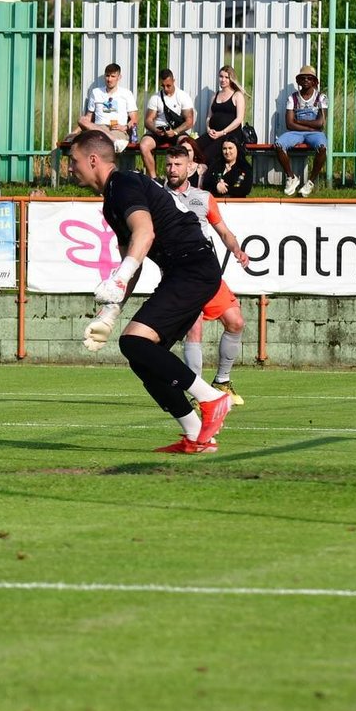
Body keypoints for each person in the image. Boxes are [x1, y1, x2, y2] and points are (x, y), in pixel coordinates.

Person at [70, 129, 234, 454]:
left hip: (193, 268)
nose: (71, 168)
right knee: (141, 356)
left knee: (134, 342)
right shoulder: (112, 199)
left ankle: (212, 398)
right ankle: (197, 436)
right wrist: (111, 312)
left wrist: (118, 280)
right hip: (187, 271)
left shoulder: (123, 184)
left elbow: (144, 233)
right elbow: (133, 259)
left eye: (74, 161)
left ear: (93, 160)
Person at [163, 142, 250, 407]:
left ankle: (222, 381)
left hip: (207, 272)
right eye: (169, 164)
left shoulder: (203, 197)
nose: (172, 169)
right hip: (180, 274)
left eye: (178, 164)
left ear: (190, 168)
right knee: (195, 328)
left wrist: (237, 249)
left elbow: (223, 231)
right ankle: (199, 394)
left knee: (236, 322)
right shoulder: (157, 197)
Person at [275, 65, 329, 197]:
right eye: (303, 78)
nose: (306, 80)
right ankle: (291, 177)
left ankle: (310, 182)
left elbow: (321, 123)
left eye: (309, 78)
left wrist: (298, 121)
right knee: (279, 144)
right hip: (297, 132)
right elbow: (289, 124)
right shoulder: (292, 98)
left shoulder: (321, 97)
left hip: (314, 133)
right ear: (298, 81)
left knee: (322, 147)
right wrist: (310, 127)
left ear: (314, 81)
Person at [138, 69, 196, 176]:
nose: (165, 89)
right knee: (144, 145)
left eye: (168, 85)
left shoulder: (183, 96)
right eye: (163, 86)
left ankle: (182, 176)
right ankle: (154, 178)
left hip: (177, 130)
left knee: (186, 146)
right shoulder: (155, 97)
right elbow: (148, 120)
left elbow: (189, 121)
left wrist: (175, 132)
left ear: (174, 81)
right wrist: (155, 130)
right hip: (159, 131)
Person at [195, 65, 247, 173]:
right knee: (193, 147)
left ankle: (206, 177)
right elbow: (209, 116)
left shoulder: (237, 95)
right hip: (213, 133)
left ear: (231, 79)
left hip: (230, 134)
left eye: (226, 77)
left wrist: (222, 132)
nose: (223, 80)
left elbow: (239, 119)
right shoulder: (215, 95)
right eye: (221, 76)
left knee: (206, 155)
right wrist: (208, 129)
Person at [78, 62, 137, 152]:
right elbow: (88, 117)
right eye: (107, 76)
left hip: (117, 129)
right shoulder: (96, 92)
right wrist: (74, 132)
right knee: (81, 120)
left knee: (100, 142)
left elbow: (134, 119)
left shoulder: (126, 93)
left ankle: (113, 141)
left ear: (119, 77)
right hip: (99, 127)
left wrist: (125, 127)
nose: (109, 79)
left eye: (113, 76)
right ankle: (115, 141)